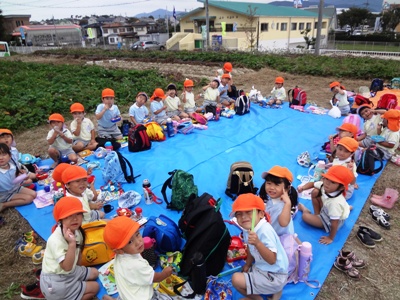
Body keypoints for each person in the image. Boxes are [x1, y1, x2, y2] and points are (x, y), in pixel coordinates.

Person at [40, 196, 99, 300]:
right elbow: (66, 267)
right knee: (95, 287)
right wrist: (72, 244)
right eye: (69, 216)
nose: (75, 219)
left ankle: (75, 288)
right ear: (60, 220)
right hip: (56, 282)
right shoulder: (55, 240)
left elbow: (78, 255)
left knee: (95, 273)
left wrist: (78, 272)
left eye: (78, 214)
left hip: (70, 272)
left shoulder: (77, 231)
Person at [231, 193, 288, 300]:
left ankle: (258, 298)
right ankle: (275, 292)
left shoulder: (265, 231)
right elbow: (249, 247)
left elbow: (272, 260)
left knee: (235, 279)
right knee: (246, 272)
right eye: (238, 214)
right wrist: (247, 264)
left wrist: (257, 243)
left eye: (249, 212)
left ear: (261, 214)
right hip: (264, 268)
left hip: (275, 275)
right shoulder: (248, 228)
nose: (243, 217)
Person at [102, 216, 173, 300]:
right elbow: (156, 278)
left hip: (127, 294)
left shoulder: (121, 255)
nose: (138, 242)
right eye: (130, 242)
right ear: (118, 250)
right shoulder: (136, 265)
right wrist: (165, 273)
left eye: (137, 234)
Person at [297, 165, 354, 245]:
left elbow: (334, 223)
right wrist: (302, 188)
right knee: (315, 192)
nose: (327, 183)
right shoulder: (325, 186)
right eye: (327, 179)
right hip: (327, 210)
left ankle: (305, 210)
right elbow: (313, 184)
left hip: (329, 221)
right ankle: (346, 209)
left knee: (305, 217)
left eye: (333, 182)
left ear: (341, 188)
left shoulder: (335, 203)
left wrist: (330, 238)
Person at [259, 166, 297, 236]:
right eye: (269, 183)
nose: (271, 188)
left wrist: (288, 204)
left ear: (287, 188)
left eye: (277, 184)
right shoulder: (271, 197)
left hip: (278, 235)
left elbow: (283, 223)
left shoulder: (283, 205)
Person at [0, 143, 36, 212]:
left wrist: (23, 176)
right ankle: (4, 204)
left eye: (4, 154)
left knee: (34, 194)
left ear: (10, 156)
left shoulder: (12, 166)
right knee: (29, 199)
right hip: (6, 194)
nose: (1, 157)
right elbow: (8, 185)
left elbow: (16, 179)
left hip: (16, 188)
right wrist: (20, 179)